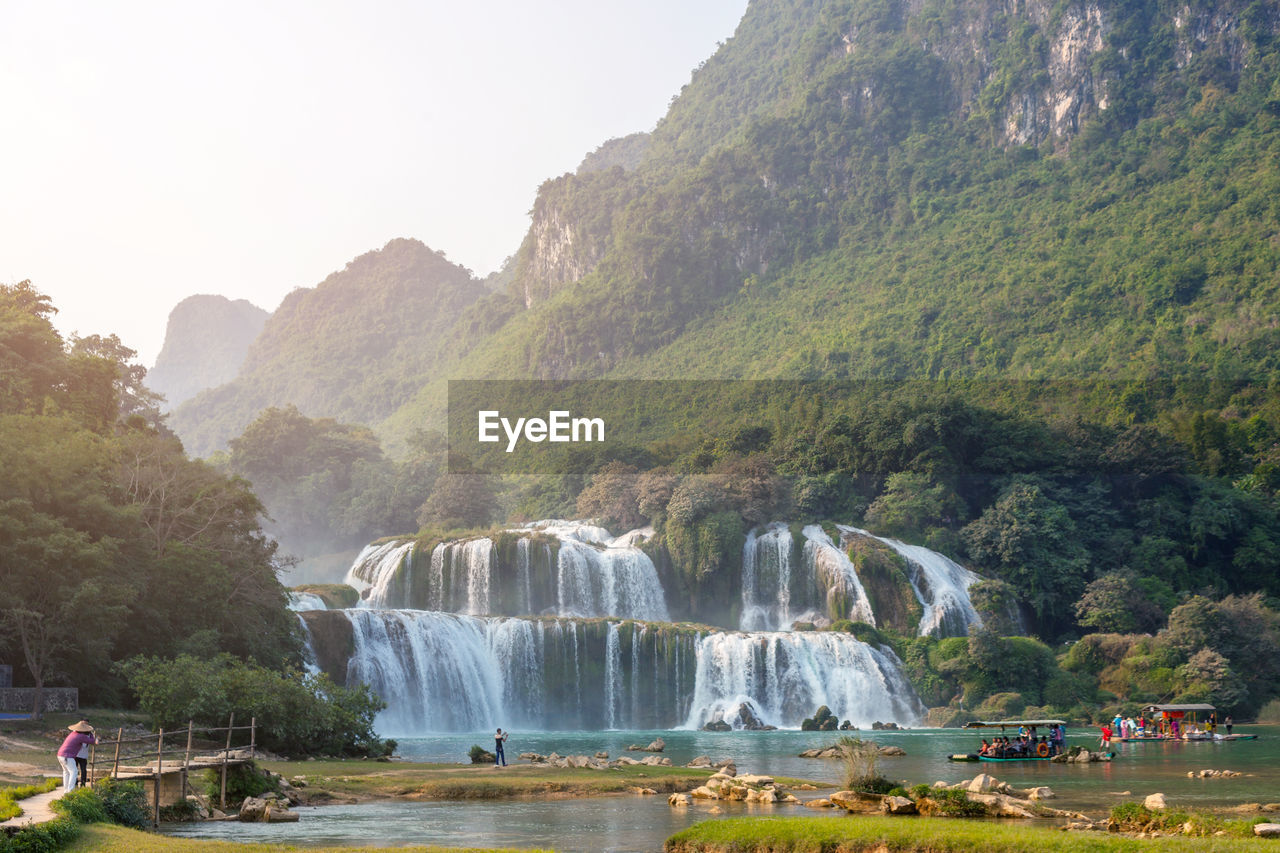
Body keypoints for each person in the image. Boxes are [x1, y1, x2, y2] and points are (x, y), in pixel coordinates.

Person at [58, 721, 96, 793]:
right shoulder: (81, 736)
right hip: (67, 756)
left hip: (60, 755)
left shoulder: (73, 733)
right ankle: (70, 791)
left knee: (66, 772)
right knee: (74, 772)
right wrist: (93, 737)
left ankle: (66, 790)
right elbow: (92, 741)